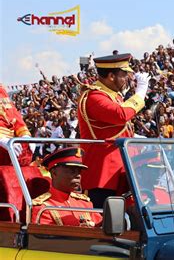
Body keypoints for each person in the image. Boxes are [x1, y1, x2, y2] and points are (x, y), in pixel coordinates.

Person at [77, 53, 151, 207]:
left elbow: (117, 128)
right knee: (104, 220)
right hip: (103, 171)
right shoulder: (94, 97)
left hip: (121, 166)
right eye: (124, 74)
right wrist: (140, 93)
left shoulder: (112, 96)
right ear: (111, 76)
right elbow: (121, 115)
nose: (128, 79)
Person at [31, 147, 102, 227]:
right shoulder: (43, 208)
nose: (78, 175)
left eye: (79, 171)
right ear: (54, 173)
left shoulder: (85, 203)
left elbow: (101, 227)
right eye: (72, 171)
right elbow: (45, 238)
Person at [0, 84, 33, 166]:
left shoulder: (1, 91)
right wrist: (1, 140)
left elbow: (13, 114)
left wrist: (25, 135)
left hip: (11, 145)